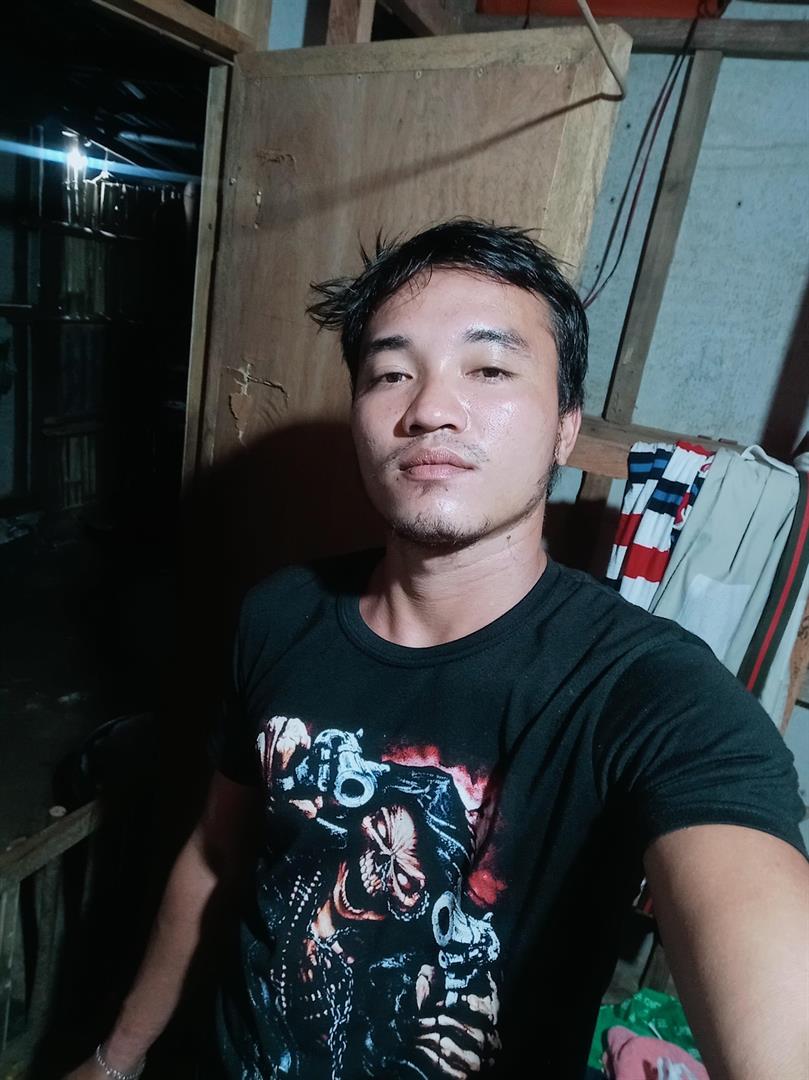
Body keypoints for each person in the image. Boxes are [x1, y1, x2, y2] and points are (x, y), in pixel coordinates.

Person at [70, 221, 808, 1080]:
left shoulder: (647, 692)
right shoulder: (279, 615)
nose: (429, 409)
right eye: (390, 373)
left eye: (489, 369)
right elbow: (215, 854)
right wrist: (116, 1059)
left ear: (564, 428)